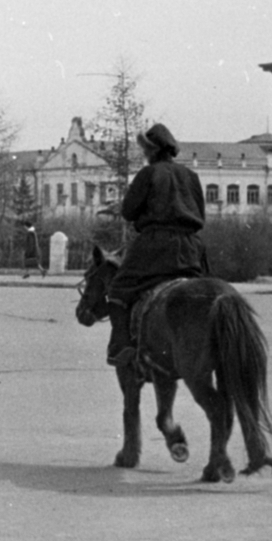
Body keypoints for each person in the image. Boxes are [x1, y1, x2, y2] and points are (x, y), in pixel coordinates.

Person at [104, 123, 207, 367]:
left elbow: (128, 212)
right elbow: (200, 215)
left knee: (118, 289)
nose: (144, 155)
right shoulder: (191, 176)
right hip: (191, 249)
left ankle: (122, 346)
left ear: (153, 151)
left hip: (155, 246)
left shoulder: (148, 174)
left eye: (145, 151)